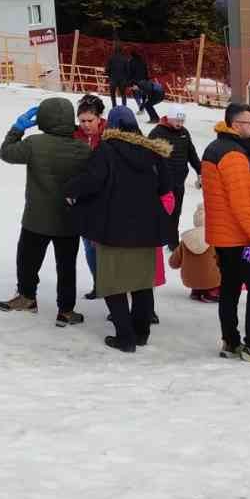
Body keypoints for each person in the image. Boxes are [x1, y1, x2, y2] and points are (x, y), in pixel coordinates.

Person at [67, 106, 173, 353]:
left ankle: (125, 337)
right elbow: (166, 186)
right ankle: (142, 333)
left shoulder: (106, 150)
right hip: (147, 228)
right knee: (142, 282)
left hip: (113, 227)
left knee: (113, 282)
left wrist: (70, 189)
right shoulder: (153, 151)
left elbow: (91, 181)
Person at [0, 97, 93, 326]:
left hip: (36, 219)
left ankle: (27, 297)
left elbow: (7, 153)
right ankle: (66, 310)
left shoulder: (34, 143)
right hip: (68, 219)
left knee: (27, 261)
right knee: (67, 266)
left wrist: (17, 128)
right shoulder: (82, 148)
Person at [201, 102, 250, 362]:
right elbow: (241, 203)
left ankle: (230, 341)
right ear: (236, 125)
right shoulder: (233, 155)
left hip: (226, 237)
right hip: (242, 239)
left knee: (230, 290)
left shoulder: (217, 148)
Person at [148, 103, 203, 238]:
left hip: (179, 180)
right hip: (163, 182)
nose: (180, 123)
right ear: (169, 118)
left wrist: (200, 170)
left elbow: (192, 154)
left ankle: (172, 239)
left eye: (182, 121)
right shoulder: (157, 133)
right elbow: (148, 157)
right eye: (177, 120)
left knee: (176, 211)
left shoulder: (184, 133)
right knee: (164, 211)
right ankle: (158, 236)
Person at [74, 94, 107, 298]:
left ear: (99, 118)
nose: (85, 125)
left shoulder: (110, 134)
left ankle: (115, 285)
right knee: (89, 246)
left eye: (90, 121)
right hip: (83, 198)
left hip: (105, 198)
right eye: (82, 121)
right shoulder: (74, 135)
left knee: (106, 247)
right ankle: (99, 283)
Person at [169, 204, 221, 303]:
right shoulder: (215, 238)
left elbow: (173, 263)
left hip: (190, 280)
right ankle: (210, 292)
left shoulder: (186, 240)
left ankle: (196, 291)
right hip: (211, 280)